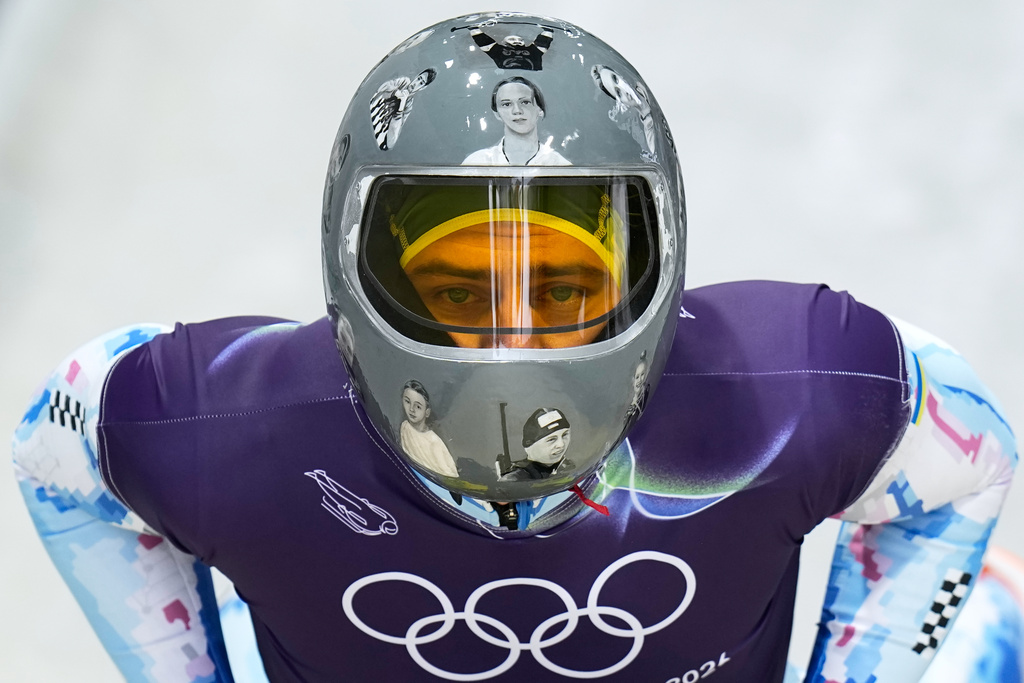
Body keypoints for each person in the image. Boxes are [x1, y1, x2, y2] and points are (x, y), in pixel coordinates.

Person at [12, 12, 1019, 683]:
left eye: (563, 289)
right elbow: (959, 450)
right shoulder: (798, 389)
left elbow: (63, 446)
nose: (511, 345)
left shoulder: (223, 426)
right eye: (457, 293)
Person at [462, 76, 571, 165]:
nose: (517, 111)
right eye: (507, 104)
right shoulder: (477, 162)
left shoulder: (559, 164)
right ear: (497, 114)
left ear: (540, 110)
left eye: (525, 102)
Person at [398, 379, 459, 478]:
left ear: (427, 412)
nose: (411, 409)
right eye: (407, 402)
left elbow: (450, 475)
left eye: (418, 406)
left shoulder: (434, 443)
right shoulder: (405, 427)